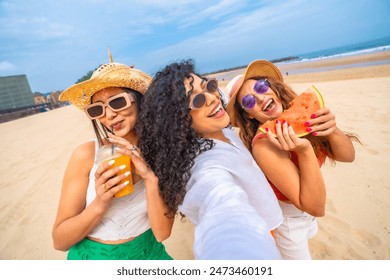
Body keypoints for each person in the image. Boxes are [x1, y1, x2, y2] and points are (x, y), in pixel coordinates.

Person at [136, 59, 283, 260]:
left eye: (209, 87)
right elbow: (218, 200)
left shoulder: (221, 129)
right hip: (261, 238)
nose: (212, 98)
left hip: (274, 225)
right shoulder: (204, 165)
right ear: (179, 121)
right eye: (196, 100)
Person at [226, 59, 358, 259]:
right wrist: (304, 152)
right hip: (289, 223)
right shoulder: (263, 145)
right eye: (249, 102)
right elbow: (315, 206)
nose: (260, 99)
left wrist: (332, 129)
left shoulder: (304, 114)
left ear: (272, 86)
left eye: (261, 86)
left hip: (308, 215)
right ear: (249, 115)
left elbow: (348, 156)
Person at [52, 62, 174, 260]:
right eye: (97, 110)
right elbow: (60, 241)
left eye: (117, 102)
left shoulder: (164, 153)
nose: (108, 115)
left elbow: (162, 233)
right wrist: (100, 202)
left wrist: (150, 178)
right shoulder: (86, 155)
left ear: (140, 100)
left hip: (148, 255)